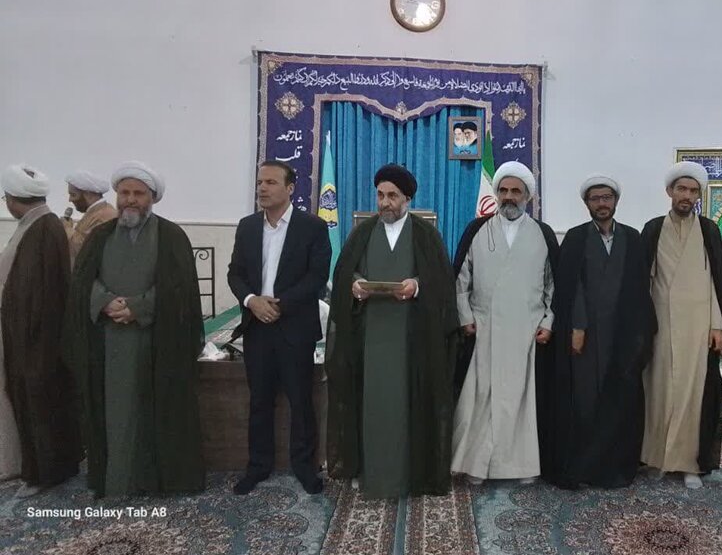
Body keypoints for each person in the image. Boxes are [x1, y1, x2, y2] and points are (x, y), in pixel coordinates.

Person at [65, 161, 205, 497]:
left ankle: (151, 481)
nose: (130, 199)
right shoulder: (100, 236)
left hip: (157, 341)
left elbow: (179, 288)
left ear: (152, 198)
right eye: (125, 192)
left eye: (138, 193)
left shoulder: (171, 236)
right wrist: (105, 302)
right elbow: (83, 282)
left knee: (151, 412)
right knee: (114, 414)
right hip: (107, 341)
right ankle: (116, 481)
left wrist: (138, 308)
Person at [326, 164, 459, 497]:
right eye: (380, 195)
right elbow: (344, 275)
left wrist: (417, 285)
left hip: (413, 340)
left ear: (407, 199)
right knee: (370, 404)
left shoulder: (425, 235)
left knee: (407, 406)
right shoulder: (363, 233)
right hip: (368, 337)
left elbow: (442, 283)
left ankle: (408, 474)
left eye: (392, 196)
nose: (384, 202)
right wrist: (355, 285)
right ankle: (369, 471)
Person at [542, 175, 654, 489]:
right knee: (586, 399)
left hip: (622, 334)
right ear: (587, 203)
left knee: (620, 399)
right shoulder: (576, 237)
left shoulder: (632, 237)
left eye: (607, 197)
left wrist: (638, 335)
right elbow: (571, 287)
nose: (602, 203)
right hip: (587, 336)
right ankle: (584, 468)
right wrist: (577, 326)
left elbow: (639, 288)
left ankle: (613, 468)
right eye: (595, 199)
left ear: (615, 201)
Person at [228, 160, 331, 495]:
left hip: (294, 327)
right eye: (260, 182)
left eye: (271, 182)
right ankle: (258, 466)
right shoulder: (247, 227)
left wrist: (279, 305)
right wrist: (251, 301)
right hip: (256, 326)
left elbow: (317, 276)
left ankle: (304, 467)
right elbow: (235, 273)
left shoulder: (312, 227)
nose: (262, 188)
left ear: (290, 188)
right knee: (259, 400)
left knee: (301, 400)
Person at [452, 161, 558, 484]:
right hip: (484, 330)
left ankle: (521, 468)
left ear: (527, 196)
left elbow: (553, 284)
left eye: (516, 191)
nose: (509, 196)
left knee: (520, 403)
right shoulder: (477, 229)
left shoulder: (542, 233)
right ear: (496, 193)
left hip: (526, 332)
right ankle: (475, 465)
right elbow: (461, 279)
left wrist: (549, 321)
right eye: (503, 190)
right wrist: (465, 317)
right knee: (480, 400)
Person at [639, 161, 722, 489]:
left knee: (694, 395)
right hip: (660, 325)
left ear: (698, 195)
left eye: (693, 191)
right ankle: (656, 458)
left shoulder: (709, 230)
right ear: (670, 192)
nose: (687, 196)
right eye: (681, 189)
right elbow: (644, 280)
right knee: (658, 391)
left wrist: (717, 326)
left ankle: (691, 463)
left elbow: (717, 282)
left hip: (698, 327)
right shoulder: (652, 229)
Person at [0, 165, 82, 497]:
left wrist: (33, 346)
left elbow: (43, 295)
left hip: (37, 344)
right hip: (27, 338)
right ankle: (39, 469)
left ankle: (44, 475)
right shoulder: (35, 226)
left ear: (12, 199)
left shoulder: (44, 230)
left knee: (40, 406)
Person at [63, 170, 117, 266]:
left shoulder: (104, 216)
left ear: (88, 194)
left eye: (73, 195)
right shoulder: (96, 212)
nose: (70, 199)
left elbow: (84, 249)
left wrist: (67, 228)